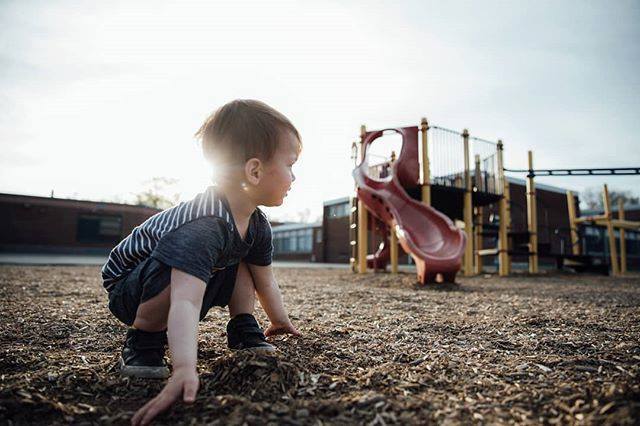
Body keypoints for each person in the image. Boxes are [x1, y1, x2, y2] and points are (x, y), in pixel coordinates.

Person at [100, 99, 302, 426]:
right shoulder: (203, 226)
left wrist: (279, 321)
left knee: (240, 258)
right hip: (131, 289)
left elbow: (265, 280)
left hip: (188, 279)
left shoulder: (257, 224)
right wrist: (184, 368)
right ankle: (144, 338)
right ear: (255, 170)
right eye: (291, 164)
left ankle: (243, 326)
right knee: (182, 267)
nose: (294, 177)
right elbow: (186, 300)